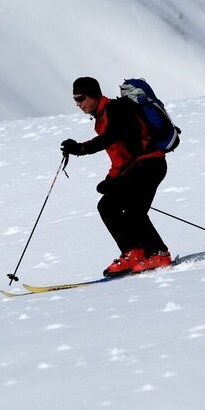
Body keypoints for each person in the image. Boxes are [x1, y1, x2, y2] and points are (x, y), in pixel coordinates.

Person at [60, 76, 172, 276]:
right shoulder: (101, 117)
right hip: (138, 166)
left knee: (131, 211)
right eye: (75, 100)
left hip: (149, 164)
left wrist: (81, 148)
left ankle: (157, 254)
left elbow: (112, 137)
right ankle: (135, 252)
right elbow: (119, 155)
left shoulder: (116, 109)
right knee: (110, 206)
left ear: (93, 95)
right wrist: (111, 180)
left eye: (81, 98)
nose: (78, 104)